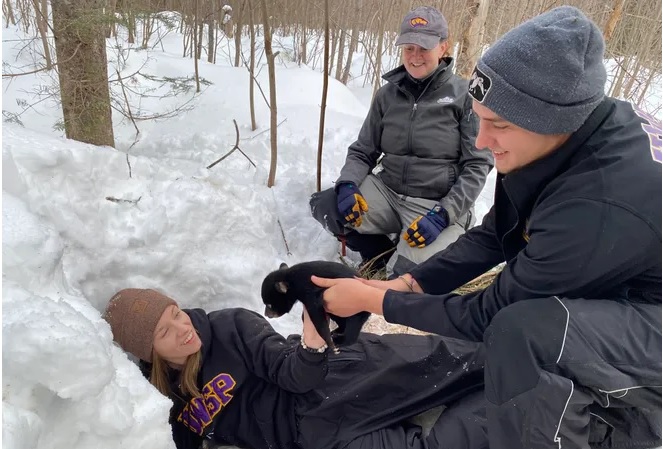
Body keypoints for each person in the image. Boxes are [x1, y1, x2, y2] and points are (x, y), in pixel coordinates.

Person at [314, 6, 662, 449]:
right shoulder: (561, 132)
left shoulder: (598, 204)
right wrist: (410, 283)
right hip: (621, 277)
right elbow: (499, 231)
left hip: (652, 323)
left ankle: (606, 422)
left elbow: (487, 315)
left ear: (553, 121)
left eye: (498, 125)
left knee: (525, 334)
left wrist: (373, 298)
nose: (481, 141)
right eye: (481, 118)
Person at [103, 288, 487, 449]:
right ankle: (519, 409)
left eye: (176, 313)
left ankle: (534, 351)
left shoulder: (228, 326)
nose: (182, 328)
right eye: (164, 332)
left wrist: (313, 341)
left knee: (459, 363)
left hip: (331, 381)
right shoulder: (158, 401)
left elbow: (292, 372)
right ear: (148, 353)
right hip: (312, 439)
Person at [310, 6, 493, 277]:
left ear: (443, 47)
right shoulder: (387, 95)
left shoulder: (464, 96)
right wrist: (347, 184)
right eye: (409, 48)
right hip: (388, 192)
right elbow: (363, 151)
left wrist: (443, 214)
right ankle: (381, 256)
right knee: (328, 206)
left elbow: (477, 166)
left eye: (424, 49)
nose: (415, 57)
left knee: (411, 276)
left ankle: (407, 258)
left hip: (434, 206)